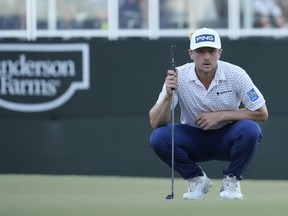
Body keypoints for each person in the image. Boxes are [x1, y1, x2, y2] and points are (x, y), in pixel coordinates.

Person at [149, 28, 268, 200]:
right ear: (190, 53)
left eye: (211, 51)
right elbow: (155, 122)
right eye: (200, 51)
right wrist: (168, 95)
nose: (206, 56)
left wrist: (221, 115)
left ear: (220, 53)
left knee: (251, 130)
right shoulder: (178, 75)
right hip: (193, 138)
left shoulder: (236, 74)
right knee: (158, 137)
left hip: (228, 137)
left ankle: (232, 180)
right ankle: (196, 179)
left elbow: (261, 113)